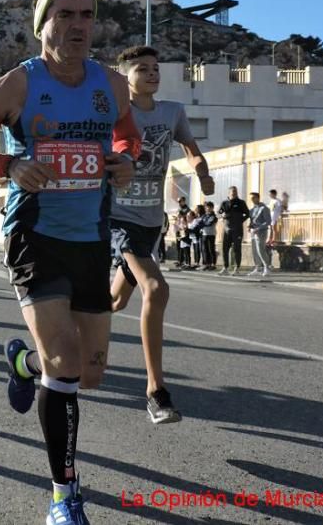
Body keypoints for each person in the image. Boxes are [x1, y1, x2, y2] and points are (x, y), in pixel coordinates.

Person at [0, 0, 140, 524]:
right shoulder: (15, 86)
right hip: (35, 237)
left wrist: (124, 160)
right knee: (66, 363)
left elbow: (128, 140)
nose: (78, 25)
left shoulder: (113, 85)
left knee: (89, 372)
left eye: (86, 15)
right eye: (65, 15)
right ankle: (64, 494)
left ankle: (22, 364)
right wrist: (9, 165)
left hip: (91, 240)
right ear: (42, 26)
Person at [107, 45, 214, 422]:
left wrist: (202, 172)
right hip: (120, 218)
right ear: (124, 76)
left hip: (153, 220)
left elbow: (191, 150)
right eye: (142, 68)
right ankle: (156, 391)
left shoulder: (173, 112)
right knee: (156, 288)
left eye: (155, 68)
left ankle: (69, 328)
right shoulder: (115, 113)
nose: (152, 74)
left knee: (115, 302)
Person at [218, 186, 250, 274]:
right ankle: (225, 267)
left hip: (237, 229)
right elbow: (219, 213)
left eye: (235, 191)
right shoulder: (224, 203)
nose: (234, 193)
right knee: (225, 248)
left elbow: (247, 214)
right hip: (226, 229)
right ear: (229, 192)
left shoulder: (241, 202)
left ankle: (237, 268)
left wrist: (240, 221)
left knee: (237, 248)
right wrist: (222, 216)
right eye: (232, 191)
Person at [247, 192, 272, 276]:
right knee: (254, 250)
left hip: (261, 231)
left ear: (258, 198)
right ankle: (257, 268)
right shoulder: (252, 209)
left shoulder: (264, 208)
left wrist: (259, 228)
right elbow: (252, 220)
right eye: (251, 198)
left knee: (260, 249)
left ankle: (266, 267)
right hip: (253, 232)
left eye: (254, 198)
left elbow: (268, 221)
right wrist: (249, 226)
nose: (252, 200)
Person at [201, 202, 218, 270]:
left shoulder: (213, 216)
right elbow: (200, 222)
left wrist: (203, 224)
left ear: (212, 208)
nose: (207, 208)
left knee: (211, 249)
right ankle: (207, 264)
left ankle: (213, 264)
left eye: (209, 207)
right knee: (205, 249)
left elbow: (209, 223)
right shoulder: (204, 216)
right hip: (204, 234)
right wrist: (202, 224)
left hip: (211, 234)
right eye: (206, 207)